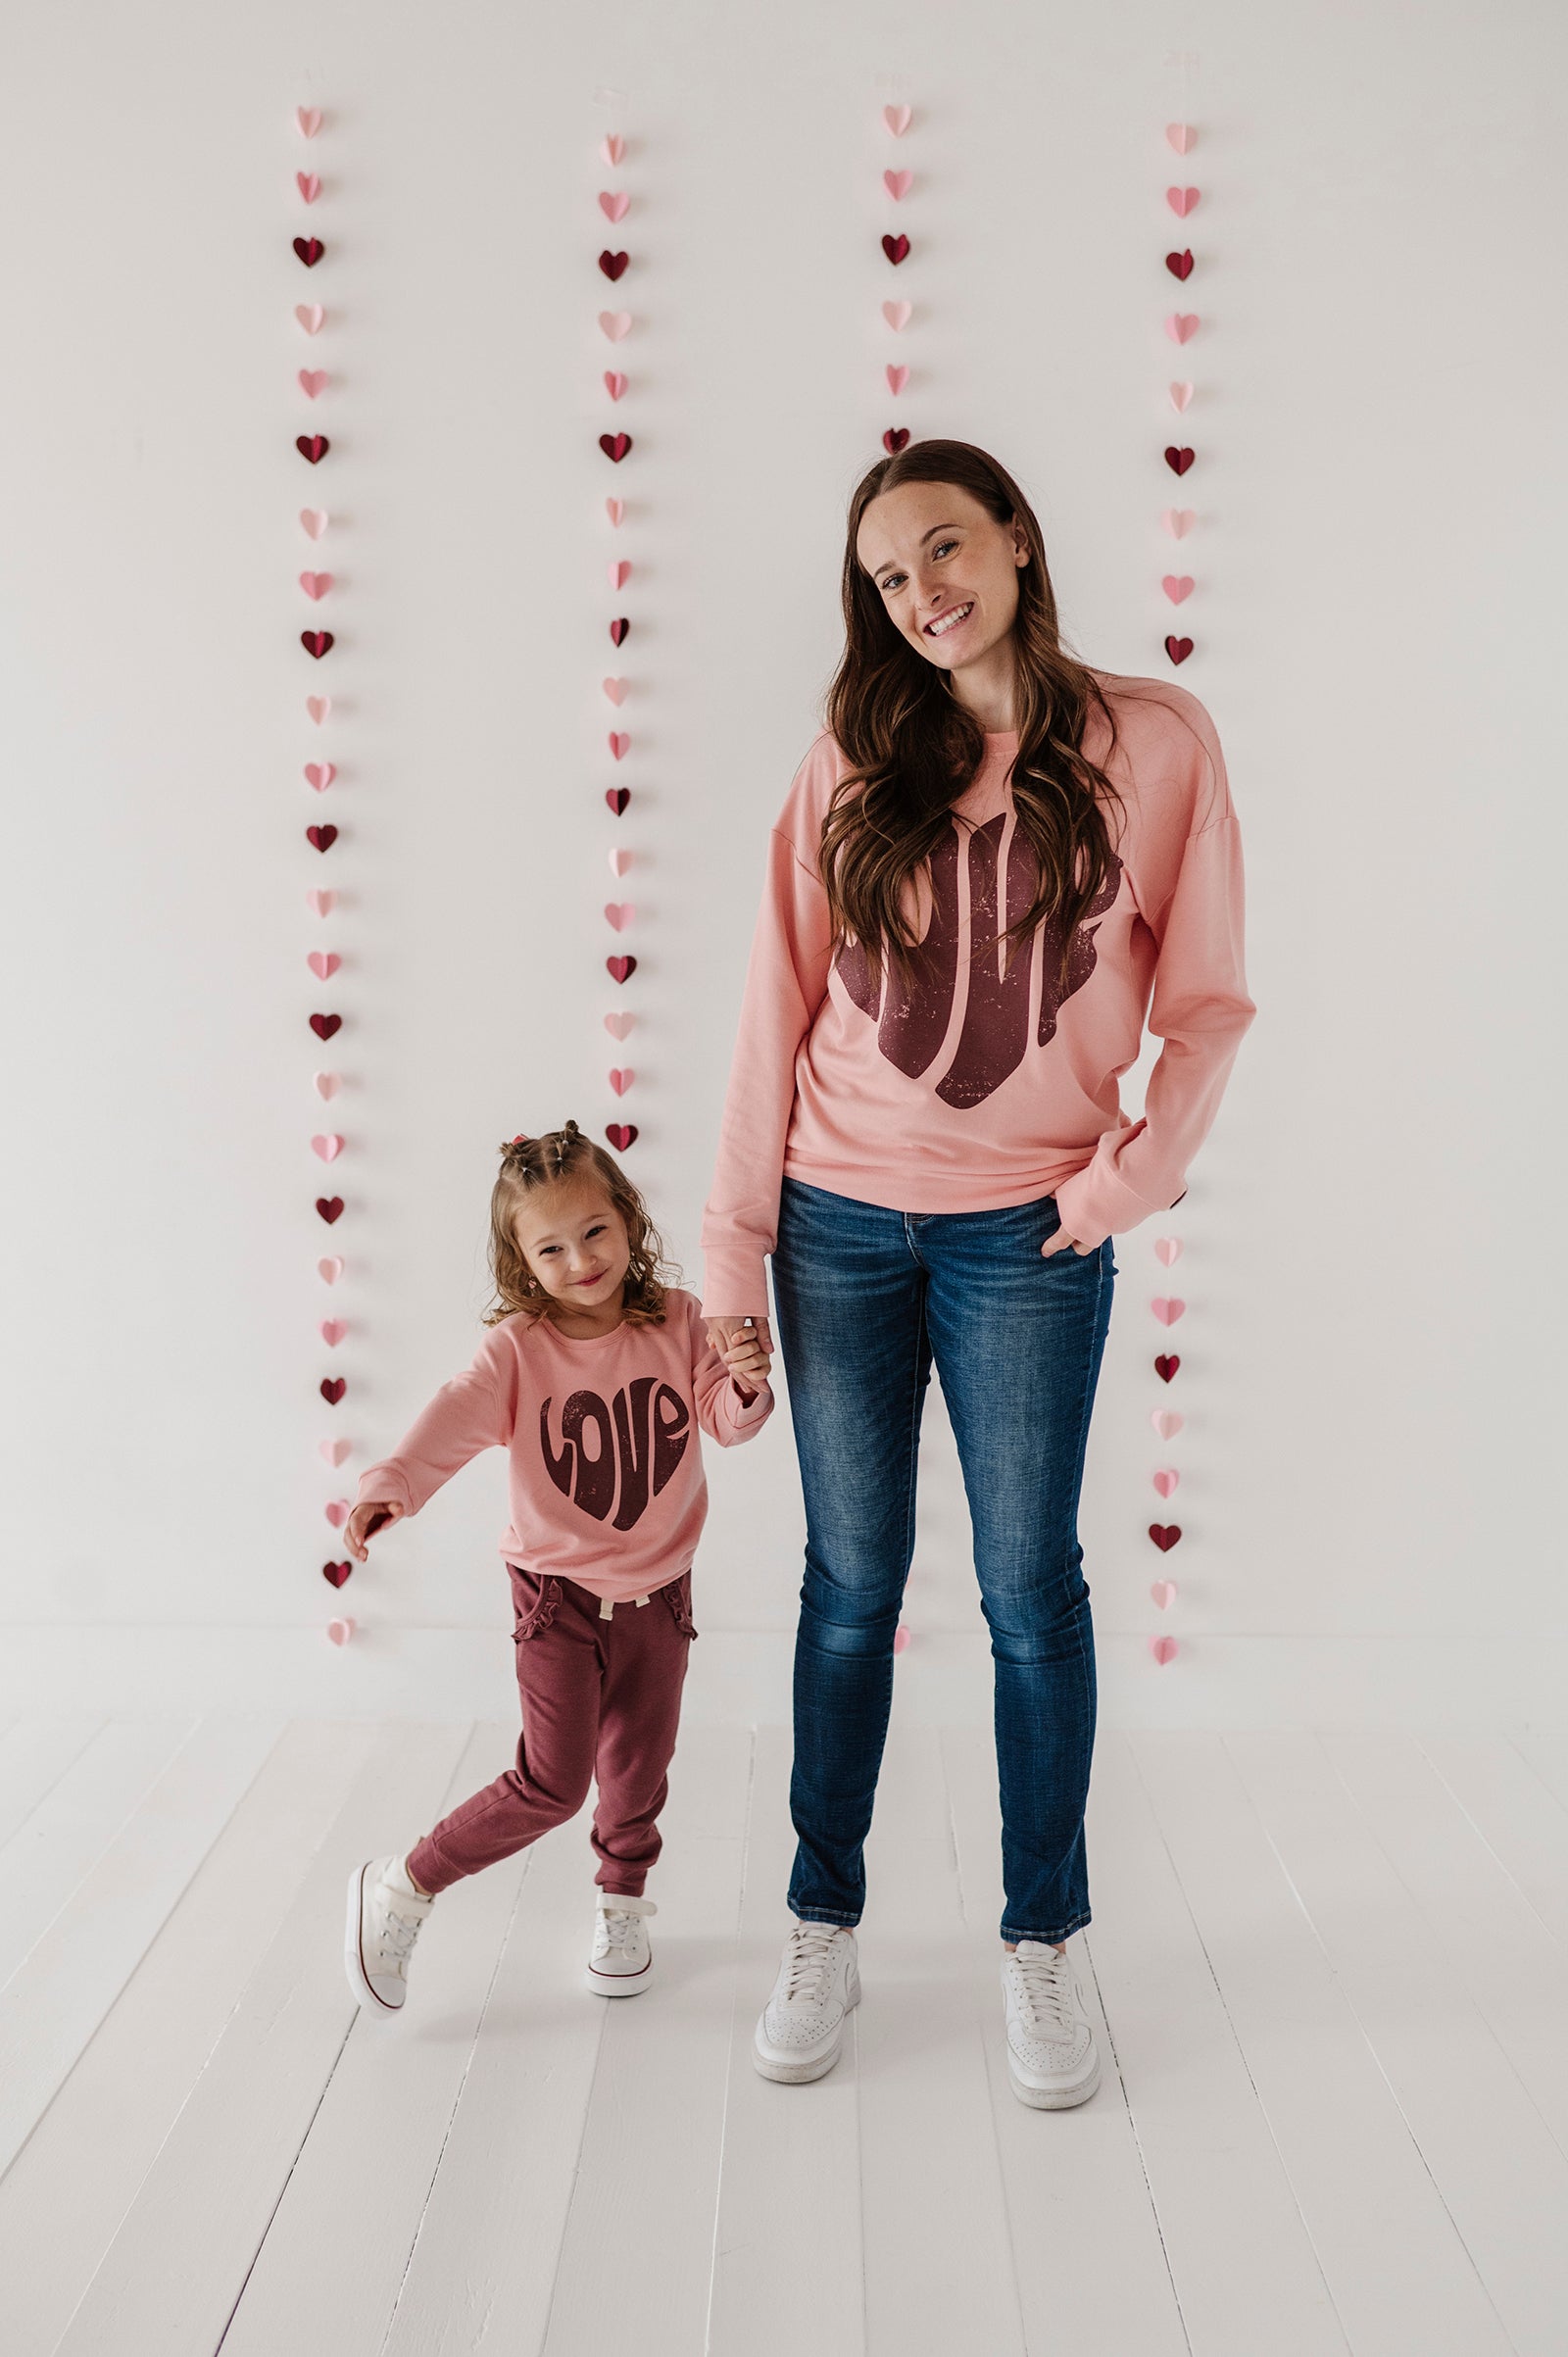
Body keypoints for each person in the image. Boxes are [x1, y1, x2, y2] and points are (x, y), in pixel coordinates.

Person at [701, 439, 1255, 2108]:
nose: (922, 593)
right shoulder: (850, 762)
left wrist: (1125, 1181)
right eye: (888, 577)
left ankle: (1045, 1937)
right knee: (849, 1586)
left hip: (1031, 1234)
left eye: (944, 548)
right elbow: (772, 1011)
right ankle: (823, 1917)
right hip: (835, 1222)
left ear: (1016, 537)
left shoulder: (1154, 742)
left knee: (1029, 1591)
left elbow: (1207, 1002)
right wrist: (733, 1263)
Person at [340, 1120, 772, 2015]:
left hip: (662, 1592)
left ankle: (622, 1904)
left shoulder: (679, 1321)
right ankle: (405, 1883)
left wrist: (744, 1379)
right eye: (552, 1248)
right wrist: (395, 1484)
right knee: (553, 1781)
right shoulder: (519, 1350)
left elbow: (727, 1423)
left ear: (628, 1219)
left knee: (639, 1768)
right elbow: (455, 1412)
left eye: (595, 1231)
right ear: (522, 1261)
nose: (581, 1260)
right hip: (555, 1597)